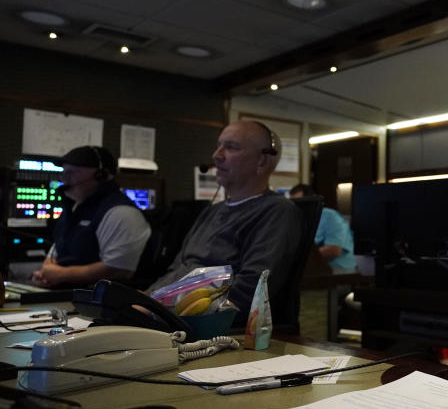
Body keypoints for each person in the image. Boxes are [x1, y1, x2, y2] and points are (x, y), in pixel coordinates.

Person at [148, 121, 301, 324]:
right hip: (165, 317)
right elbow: (178, 269)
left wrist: (156, 312)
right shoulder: (211, 211)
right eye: (219, 145)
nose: (216, 155)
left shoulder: (277, 212)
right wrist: (145, 299)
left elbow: (249, 292)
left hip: (207, 328)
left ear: (262, 161)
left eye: (231, 147)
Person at [32, 145, 150, 288]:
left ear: (102, 175)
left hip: (96, 301)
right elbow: (56, 253)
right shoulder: (75, 208)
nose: (64, 178)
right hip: (65, 294)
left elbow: (119, 270)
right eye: (64, 172)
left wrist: (60, 275)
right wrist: (45, 274)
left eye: (73, 172)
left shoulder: (121, 213)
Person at [288, 184, 356, 273]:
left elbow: (334, 250)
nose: (297, 207)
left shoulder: (329, 216)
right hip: (314, 269)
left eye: (300, 203)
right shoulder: (300, 219)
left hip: (338, 269)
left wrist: (298, 258)